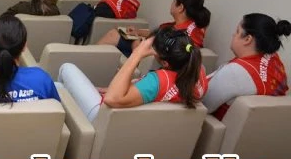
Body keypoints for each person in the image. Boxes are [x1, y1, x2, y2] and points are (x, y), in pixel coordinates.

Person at [59, 27, 207, 122]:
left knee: (66, 69)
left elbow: (111, 99)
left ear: (165, 63)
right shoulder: (199, 72)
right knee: (60, 87)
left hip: (104, 118)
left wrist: (137, 53)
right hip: (139, 126)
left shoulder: (157, 82)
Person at [203, 14, 290, 120]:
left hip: (215, 124)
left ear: (247, 39)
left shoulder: (235, 73)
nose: (233, 35)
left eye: (237, 31)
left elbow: (201, 104)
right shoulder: (273, 57)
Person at [97, 0, 211, 57]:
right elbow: (159, 33)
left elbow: (164, 56)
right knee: (115, 34)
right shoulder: (189, 27)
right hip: (148, 50)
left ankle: (90, 60)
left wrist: (137, 43)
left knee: (113, 35)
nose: (171, 4)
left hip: (148, 60)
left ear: (180, 7)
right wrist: (138, 32)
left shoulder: (180, 36)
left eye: (174, 0)